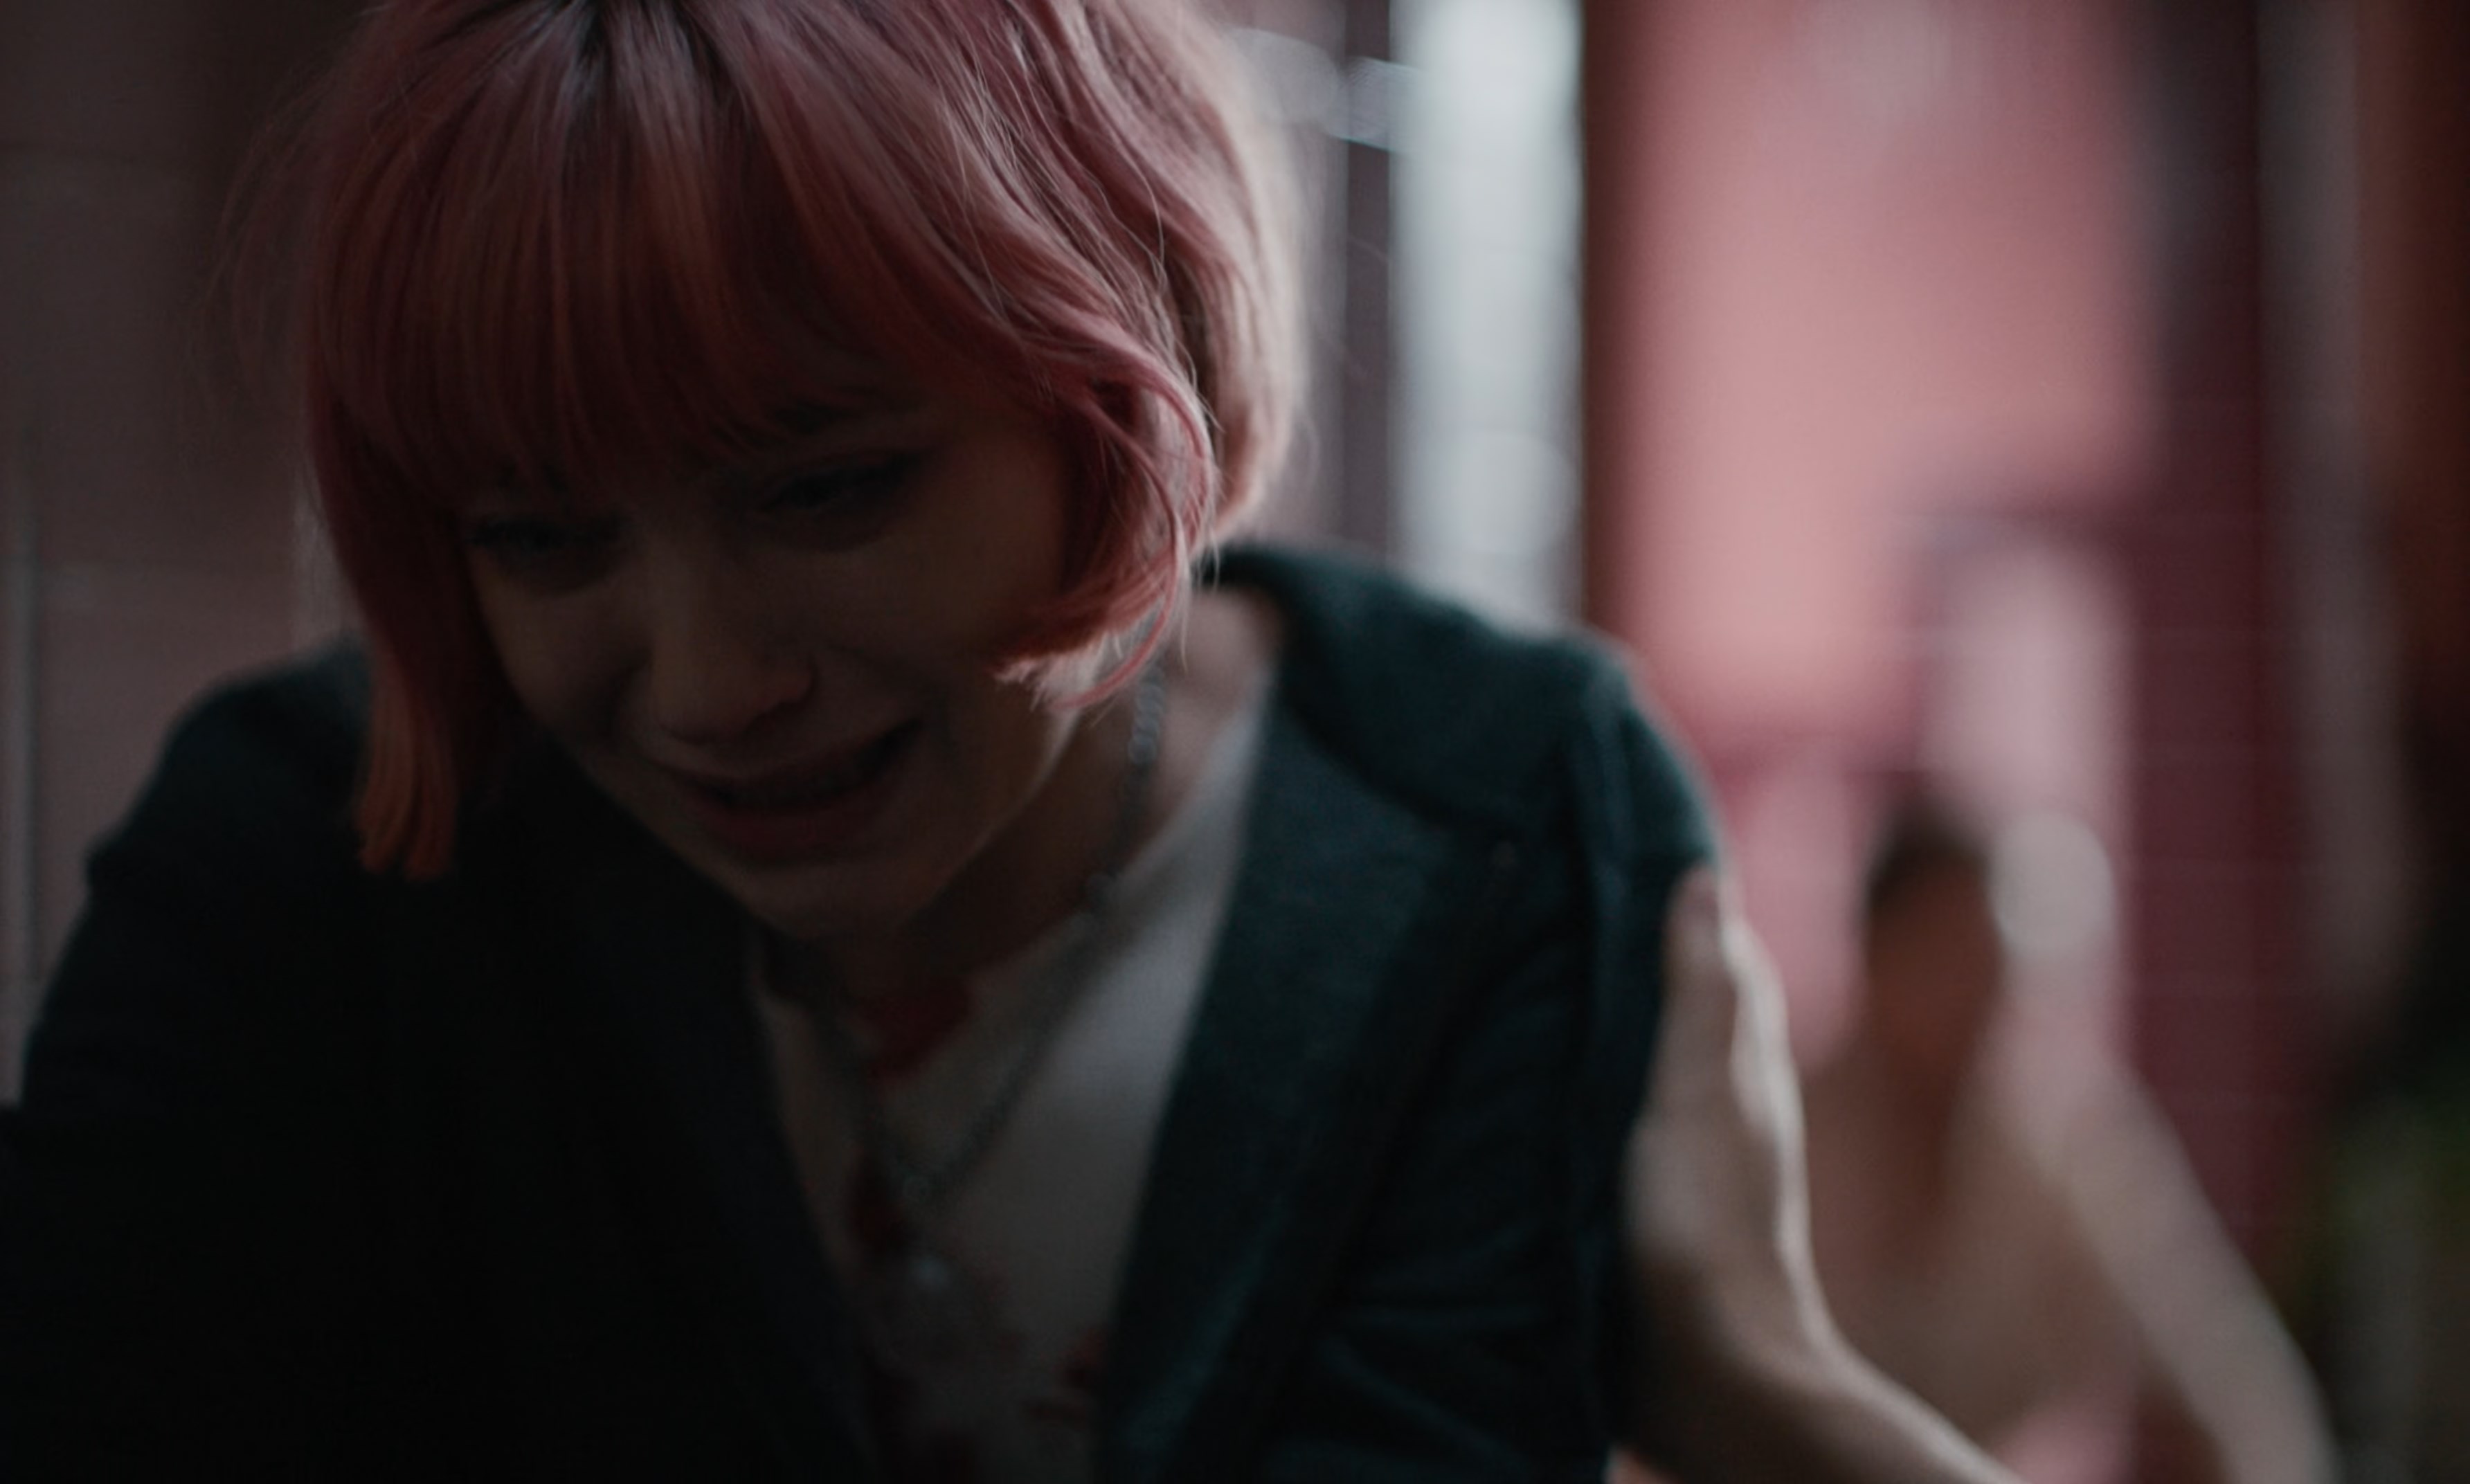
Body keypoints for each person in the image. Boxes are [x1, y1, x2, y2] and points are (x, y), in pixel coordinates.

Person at [0, 2, 2016, 1478]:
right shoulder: (309, 861)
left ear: (1121, 381)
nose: (704, 684)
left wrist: (1775, 1397)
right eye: (541, 537)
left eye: (827, 489)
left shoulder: (1475, 824)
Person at [1798, 798, 2337, 1482]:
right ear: (1873, 954)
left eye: (1982, 962)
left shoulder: (2067, 1147)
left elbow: (2226, 1373)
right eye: (1935, 954)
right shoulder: (1784, 1137)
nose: (1964, 995)